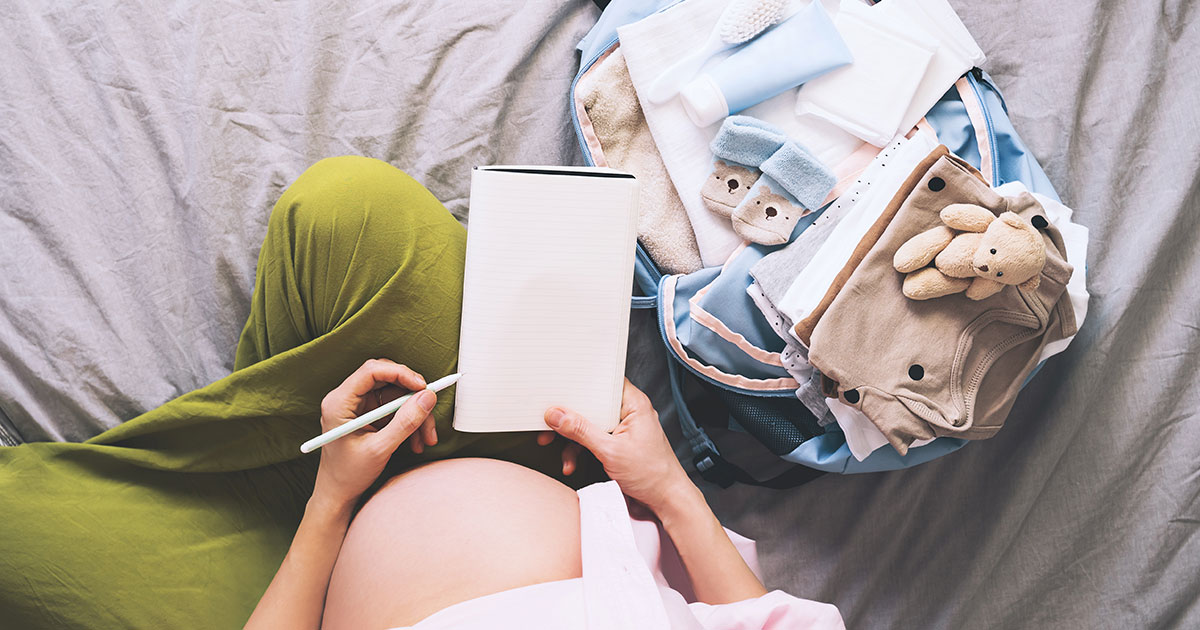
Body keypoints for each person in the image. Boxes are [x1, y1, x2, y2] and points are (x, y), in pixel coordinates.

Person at [0, 156, 842, 628]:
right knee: (349, 212)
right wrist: (662, 484)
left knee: (15, 529)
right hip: (543, 461)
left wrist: (331, 505)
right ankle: (266, 426)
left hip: (292, 581)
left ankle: (259, 452)